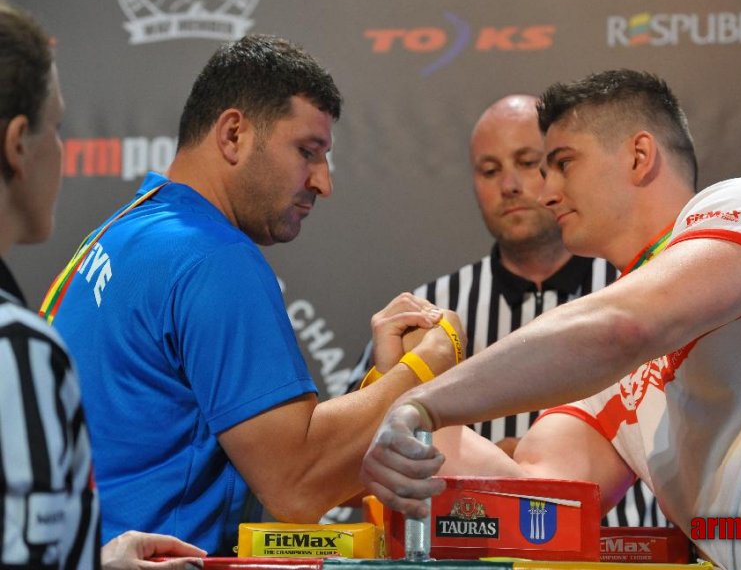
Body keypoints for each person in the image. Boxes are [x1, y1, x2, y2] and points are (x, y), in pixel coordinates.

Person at [360, 70, 741, 569]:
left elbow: (625, 326)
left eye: (563, 163)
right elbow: (535, 497)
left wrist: (425, 404)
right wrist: (405, 378)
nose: (547, 193)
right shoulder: (611, 361)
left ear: (640, 155)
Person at [43, 34, 463, 555]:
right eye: (307, 152)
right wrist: (427, 369)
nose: (323, 182)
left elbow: (293, 460)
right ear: (234, 134)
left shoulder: (126, 229)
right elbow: (296, 485)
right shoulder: (214, 258)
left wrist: (382, 382)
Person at [349, 94, 666, 528]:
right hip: (472, 551)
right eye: (490, 170)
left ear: (560, 171)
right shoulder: (427, 310)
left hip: (632, 551)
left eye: (528, 162)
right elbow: (350, 467)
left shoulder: (642, 288)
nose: (510, 185)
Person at [0, 0, 204, 569]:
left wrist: (93, 559)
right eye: (58, 126)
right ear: (18, 144)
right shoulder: (17, 349)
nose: (62, 150)